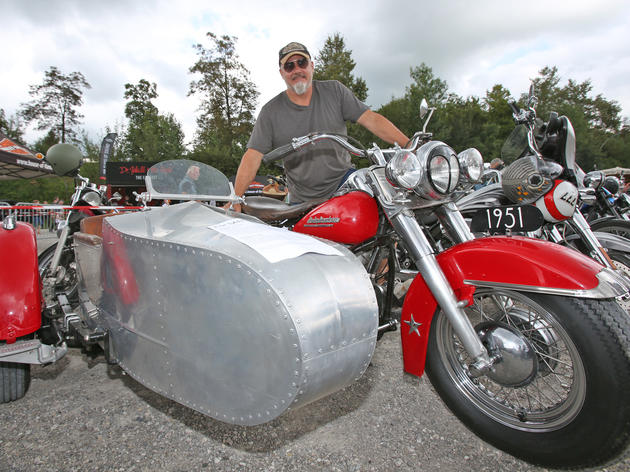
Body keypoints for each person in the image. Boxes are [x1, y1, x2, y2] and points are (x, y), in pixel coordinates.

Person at [231, 41, 408, 210]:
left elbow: (370, 119)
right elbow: (252, 155)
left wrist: (409, 145)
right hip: (301, 200)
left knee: (384, 212)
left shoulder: (335, 91)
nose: (297, 70)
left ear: (312, 65)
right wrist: (236, 199)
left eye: (302, 63)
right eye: (289, 66)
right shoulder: (270, 111)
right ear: (282, 73)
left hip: (344, 184)